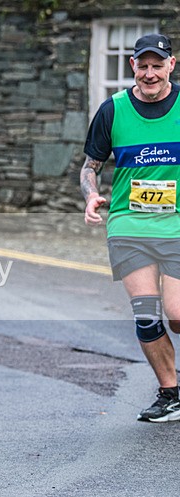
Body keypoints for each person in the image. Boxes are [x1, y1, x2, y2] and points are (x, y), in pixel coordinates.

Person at [81, 33, 180, 422]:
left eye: (158, 65)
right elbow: (91, 166)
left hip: (175, 225)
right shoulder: (113, 110)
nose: (150, 73)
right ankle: (171, 392)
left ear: (172, 64)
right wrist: (91, 196)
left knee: (176, 313)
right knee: (146, 314)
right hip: (129, 223)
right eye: (144, 65)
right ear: (132, 67)